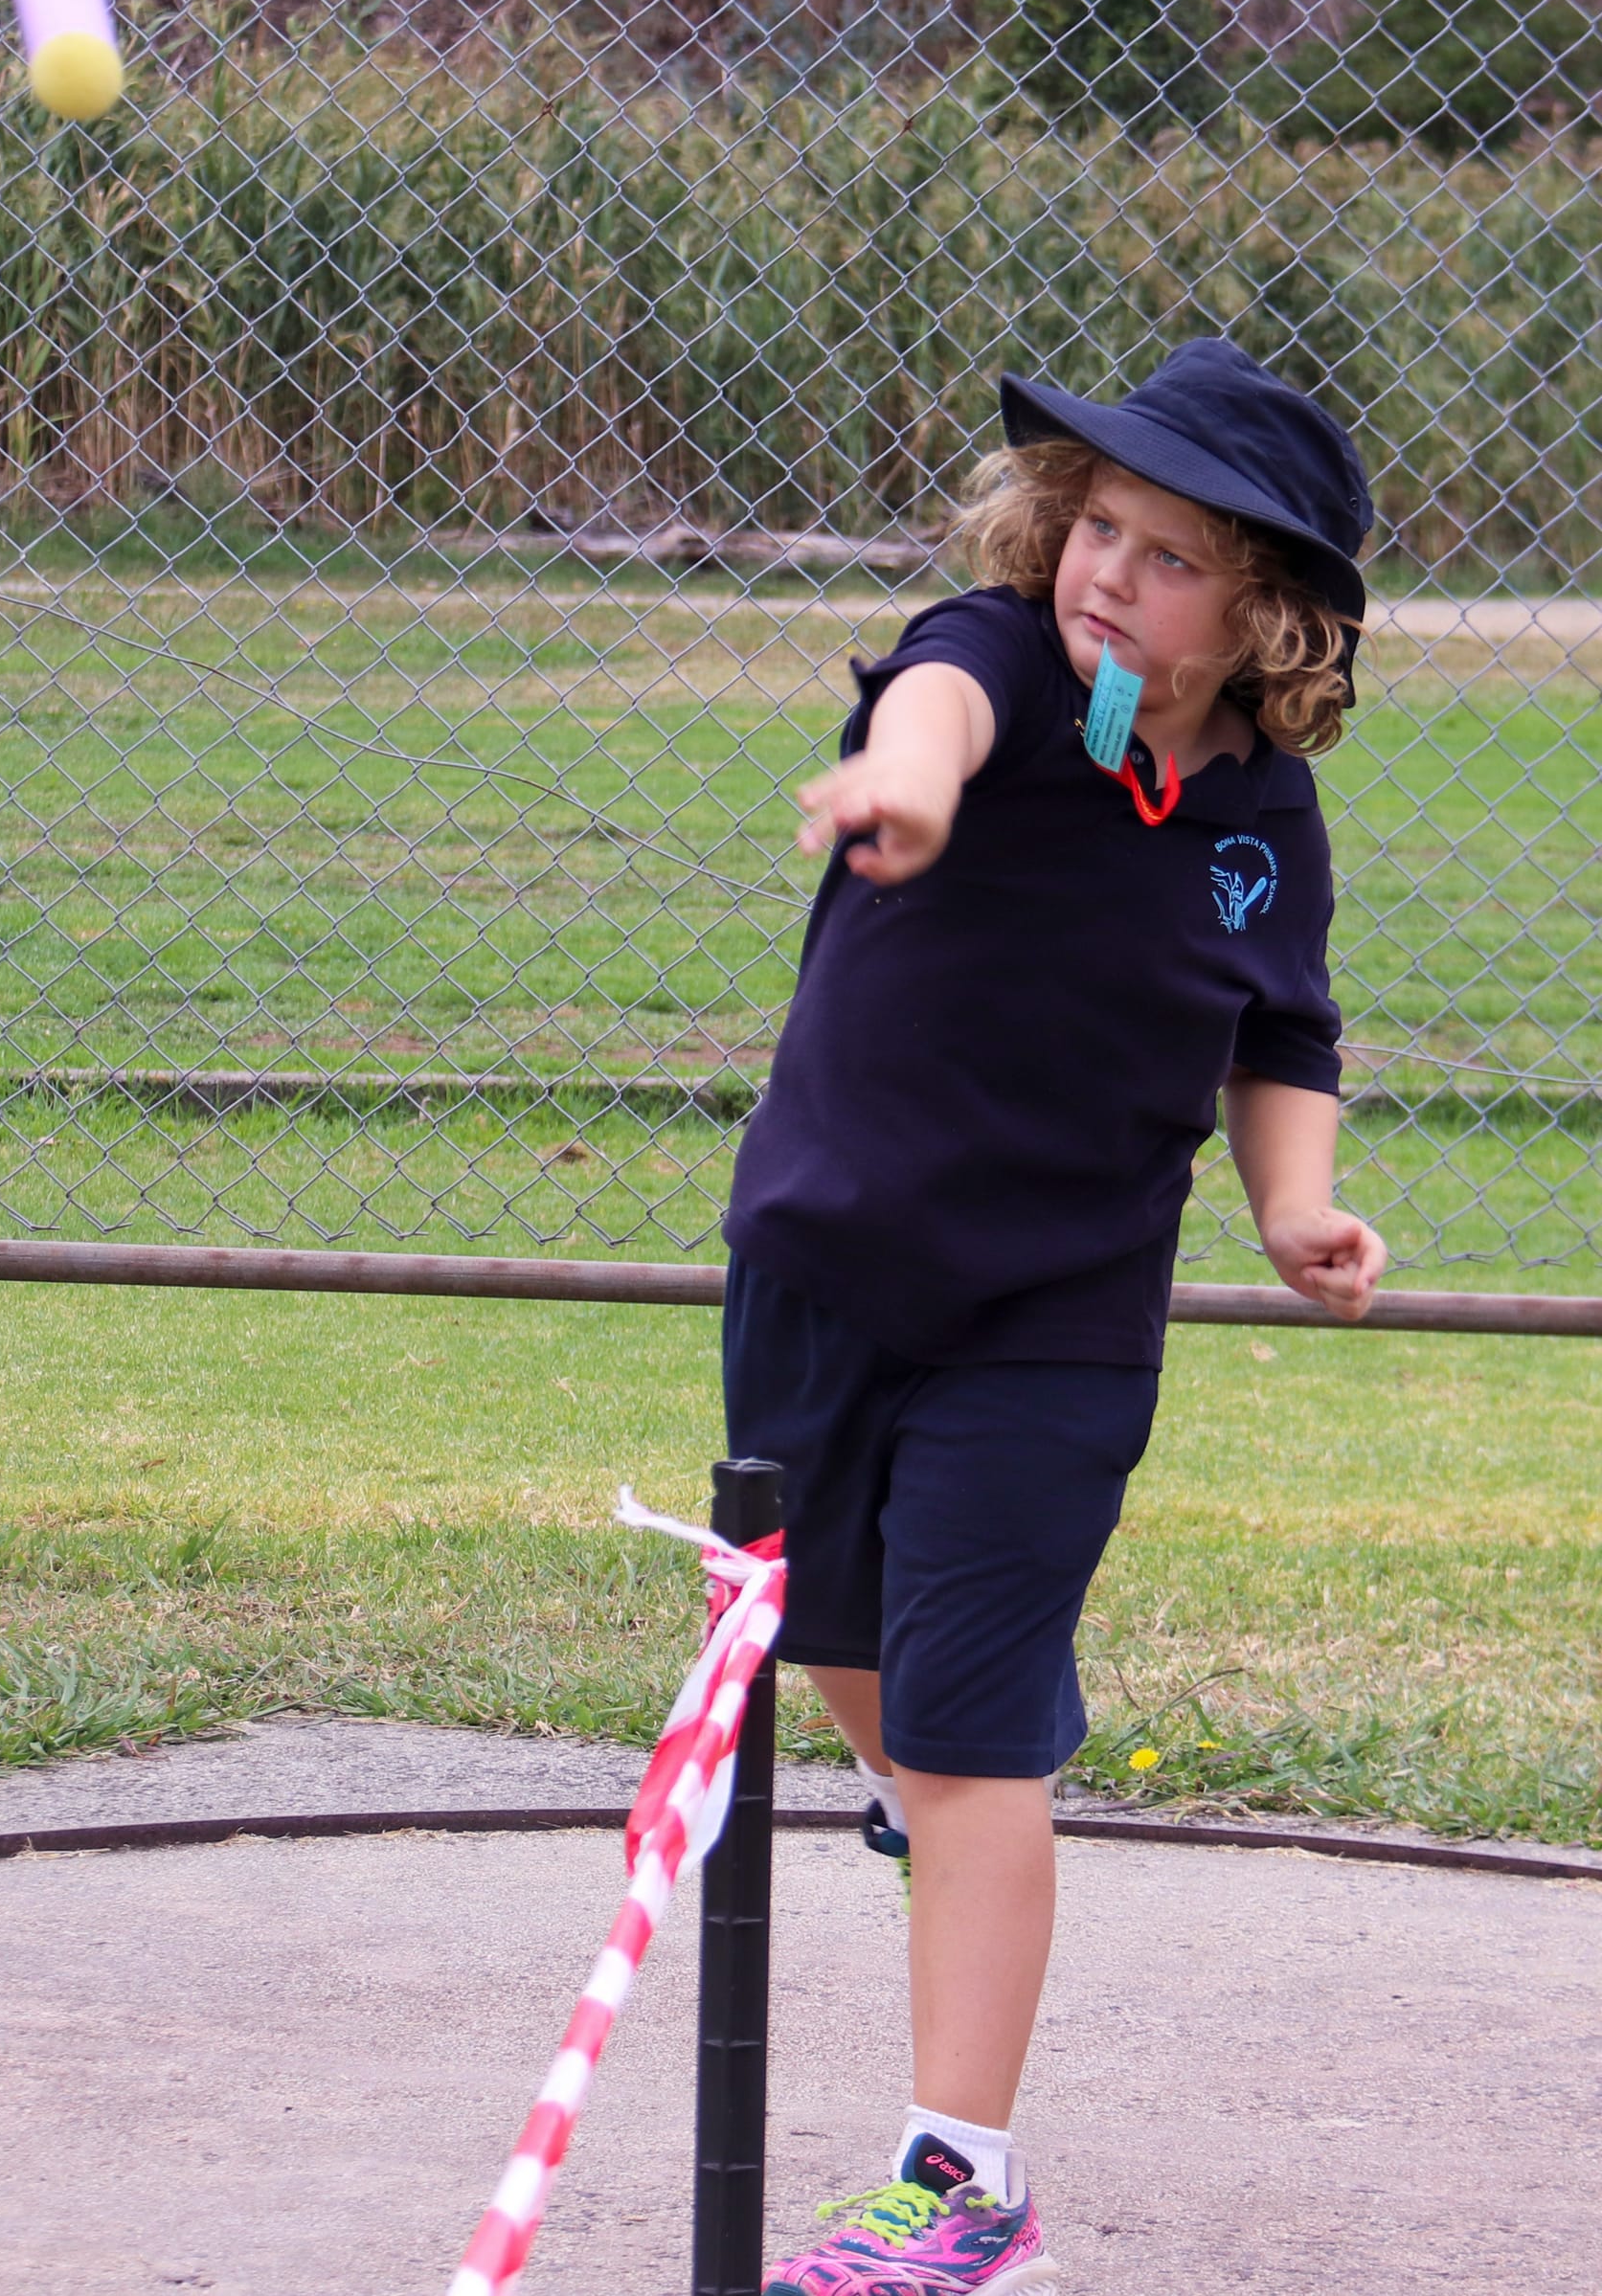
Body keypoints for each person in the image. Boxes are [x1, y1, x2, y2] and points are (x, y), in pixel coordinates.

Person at [722, 339, 1388, 2295]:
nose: (1108, 570)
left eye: (1170, 554)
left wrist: (1296, 1203)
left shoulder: (1260, 814)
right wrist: (897, 785)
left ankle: (956, 2172)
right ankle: (934, 1794)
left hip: (1057, 1321)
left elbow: (1281, 1027)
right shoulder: (1003, 663)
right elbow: (929, 701)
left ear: (1262, 617)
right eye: (1094, 523)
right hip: (824, 1269)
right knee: (829, 1643)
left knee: (969, 1730)